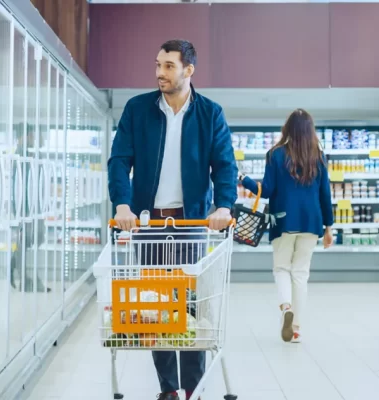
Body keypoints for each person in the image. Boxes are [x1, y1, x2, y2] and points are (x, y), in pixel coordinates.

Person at [108, 39, 238, 400]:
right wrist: (122, 204)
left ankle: (193, 385)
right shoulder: (138, 110)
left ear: (188, 71)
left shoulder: (210, 114)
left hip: (191, 224)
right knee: (156, 305)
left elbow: (225, 164)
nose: (159, 73)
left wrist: (224, 205)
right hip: (147, 225)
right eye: (157, 65)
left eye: (168, 66)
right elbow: (119, 160)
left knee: (193, 304)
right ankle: (168, 388)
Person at [238, 108, 334, 344]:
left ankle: (286, 307)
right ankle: (297, 328)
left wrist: (244, 180)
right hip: (311, 221)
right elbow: (325, 195)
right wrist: (329, 227)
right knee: (301, 273)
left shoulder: (276, 154)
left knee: (282, 269)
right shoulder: (319, 156)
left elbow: (267, 190)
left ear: (287, 129)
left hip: (283, 219)